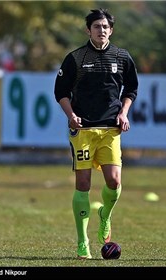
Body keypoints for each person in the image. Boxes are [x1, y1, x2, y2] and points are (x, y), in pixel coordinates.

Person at [54, 8, 138, 259]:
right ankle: (83, 242)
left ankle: (105, 215)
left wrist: (123, 113)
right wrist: (71, 115)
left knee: (114, 182)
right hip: (83, 130)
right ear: (88, 30)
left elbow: (131, 89)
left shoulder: (122, 57)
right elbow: (61, 92)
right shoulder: (76, 58)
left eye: (105, 27)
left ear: (111, 30)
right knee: (83, 184)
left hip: (110, 130)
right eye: (96, 27)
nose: (101, 30)